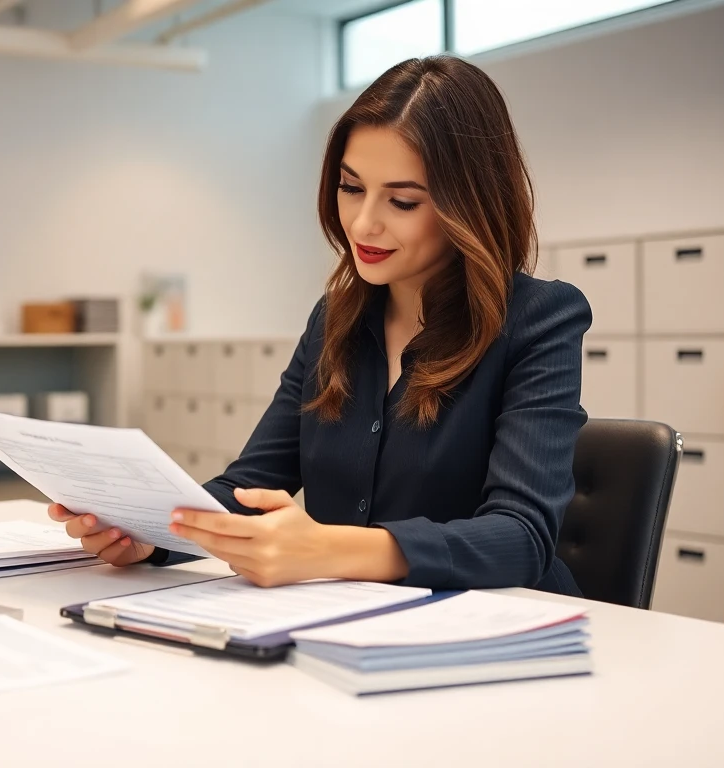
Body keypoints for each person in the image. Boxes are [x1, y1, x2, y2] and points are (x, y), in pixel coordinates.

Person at [50, 55, 591, 595]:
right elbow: (251, 486)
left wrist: (325, 549)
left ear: (470, 204)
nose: (362, 222)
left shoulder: (539, 320)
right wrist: (154, 533)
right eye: (351, 187)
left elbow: (522, 537)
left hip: (503, 631)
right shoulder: (336, 318)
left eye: (402, 201)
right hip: (349, 623)